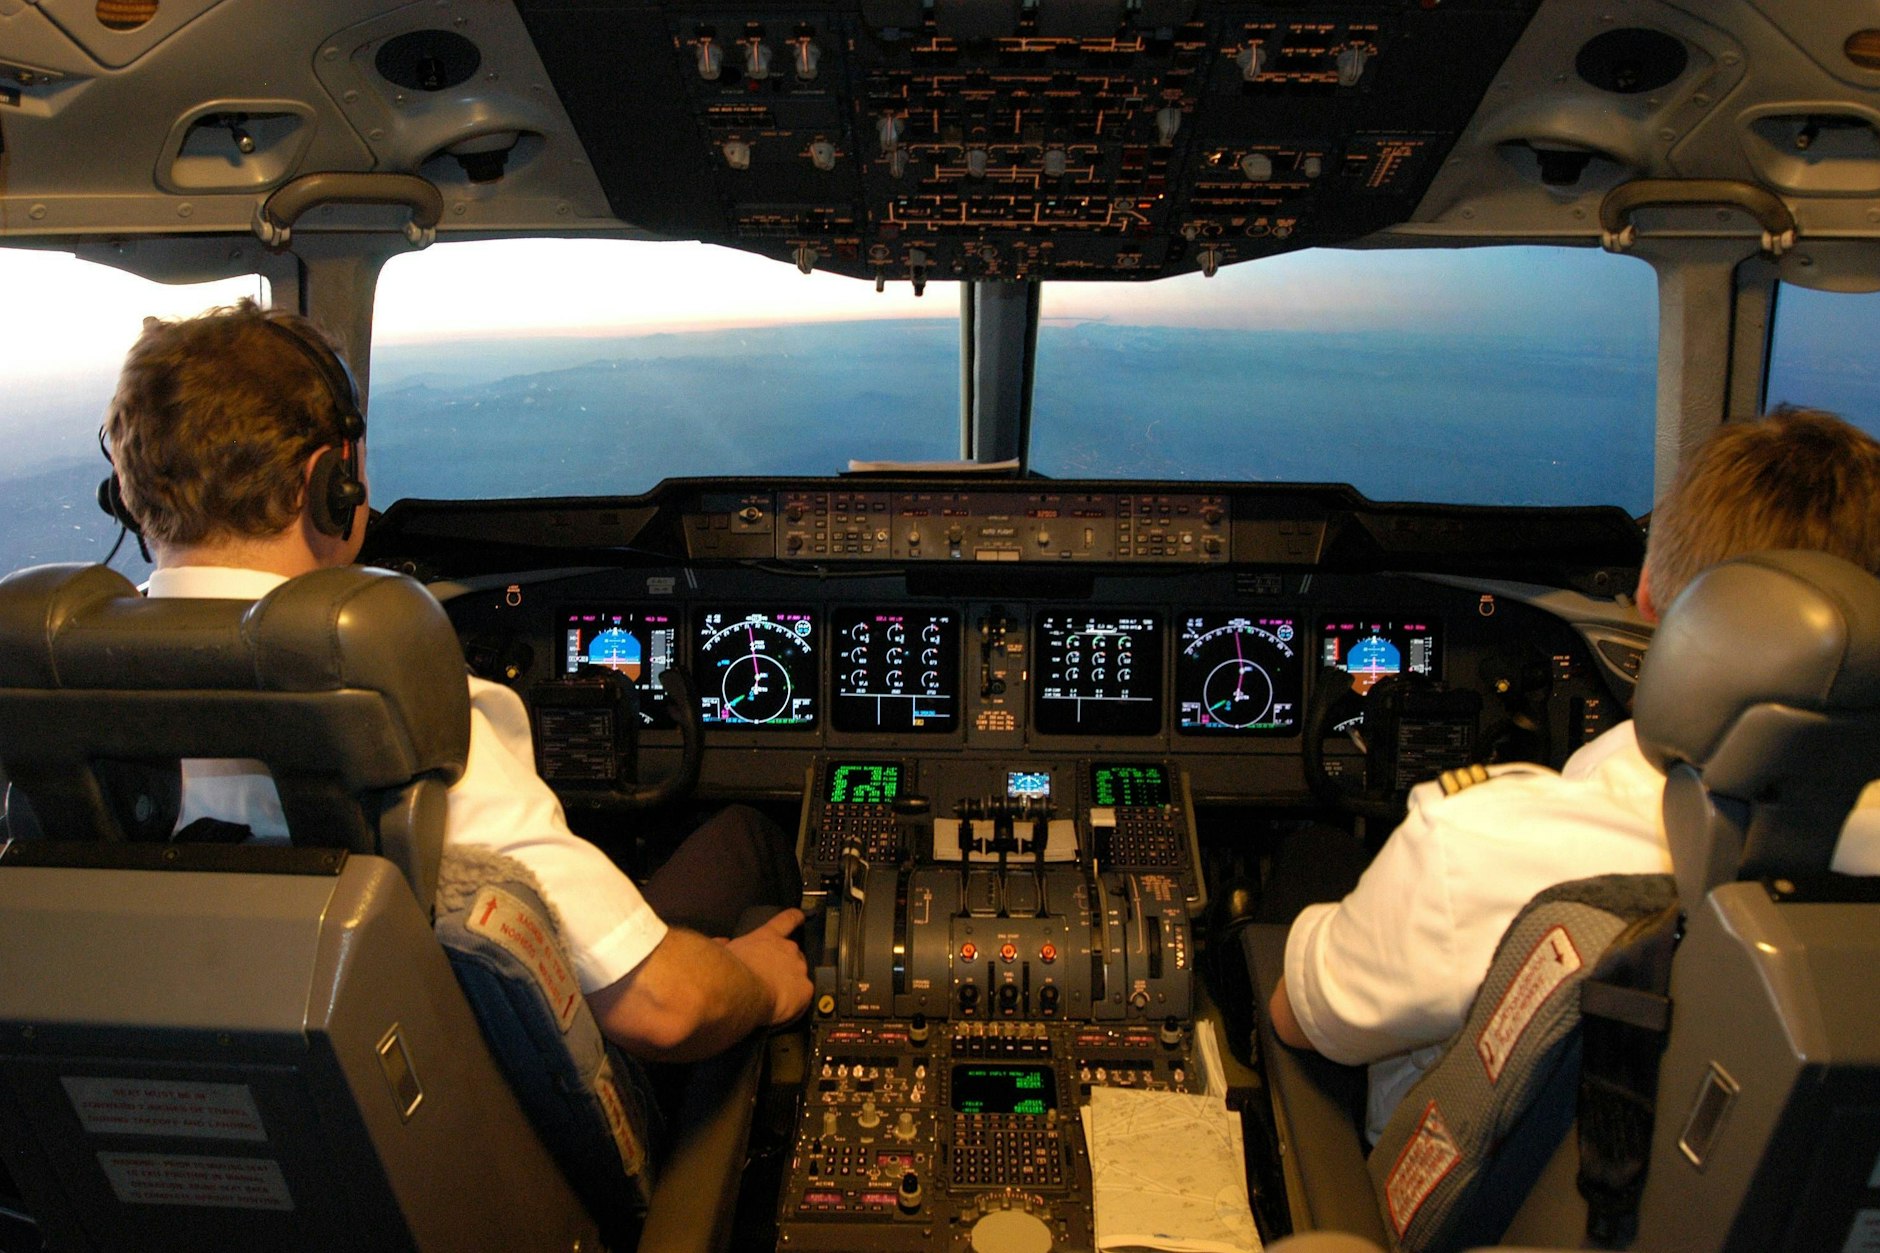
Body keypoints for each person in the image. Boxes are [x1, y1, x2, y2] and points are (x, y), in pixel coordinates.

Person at [101, 299, 812, 1064]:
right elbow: (666, 1008)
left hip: (195, 1130)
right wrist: (758, 980)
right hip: (478, 1139)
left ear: (129, 490)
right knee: (746, 838)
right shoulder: (403, 715)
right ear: (330, 481)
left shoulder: (49, 715)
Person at [1267, 407, 1880, 1143]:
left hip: (1454, 1215)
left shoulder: (1478, 845)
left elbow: (1300, 1020)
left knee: (1302, 880)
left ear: (1649, 590)